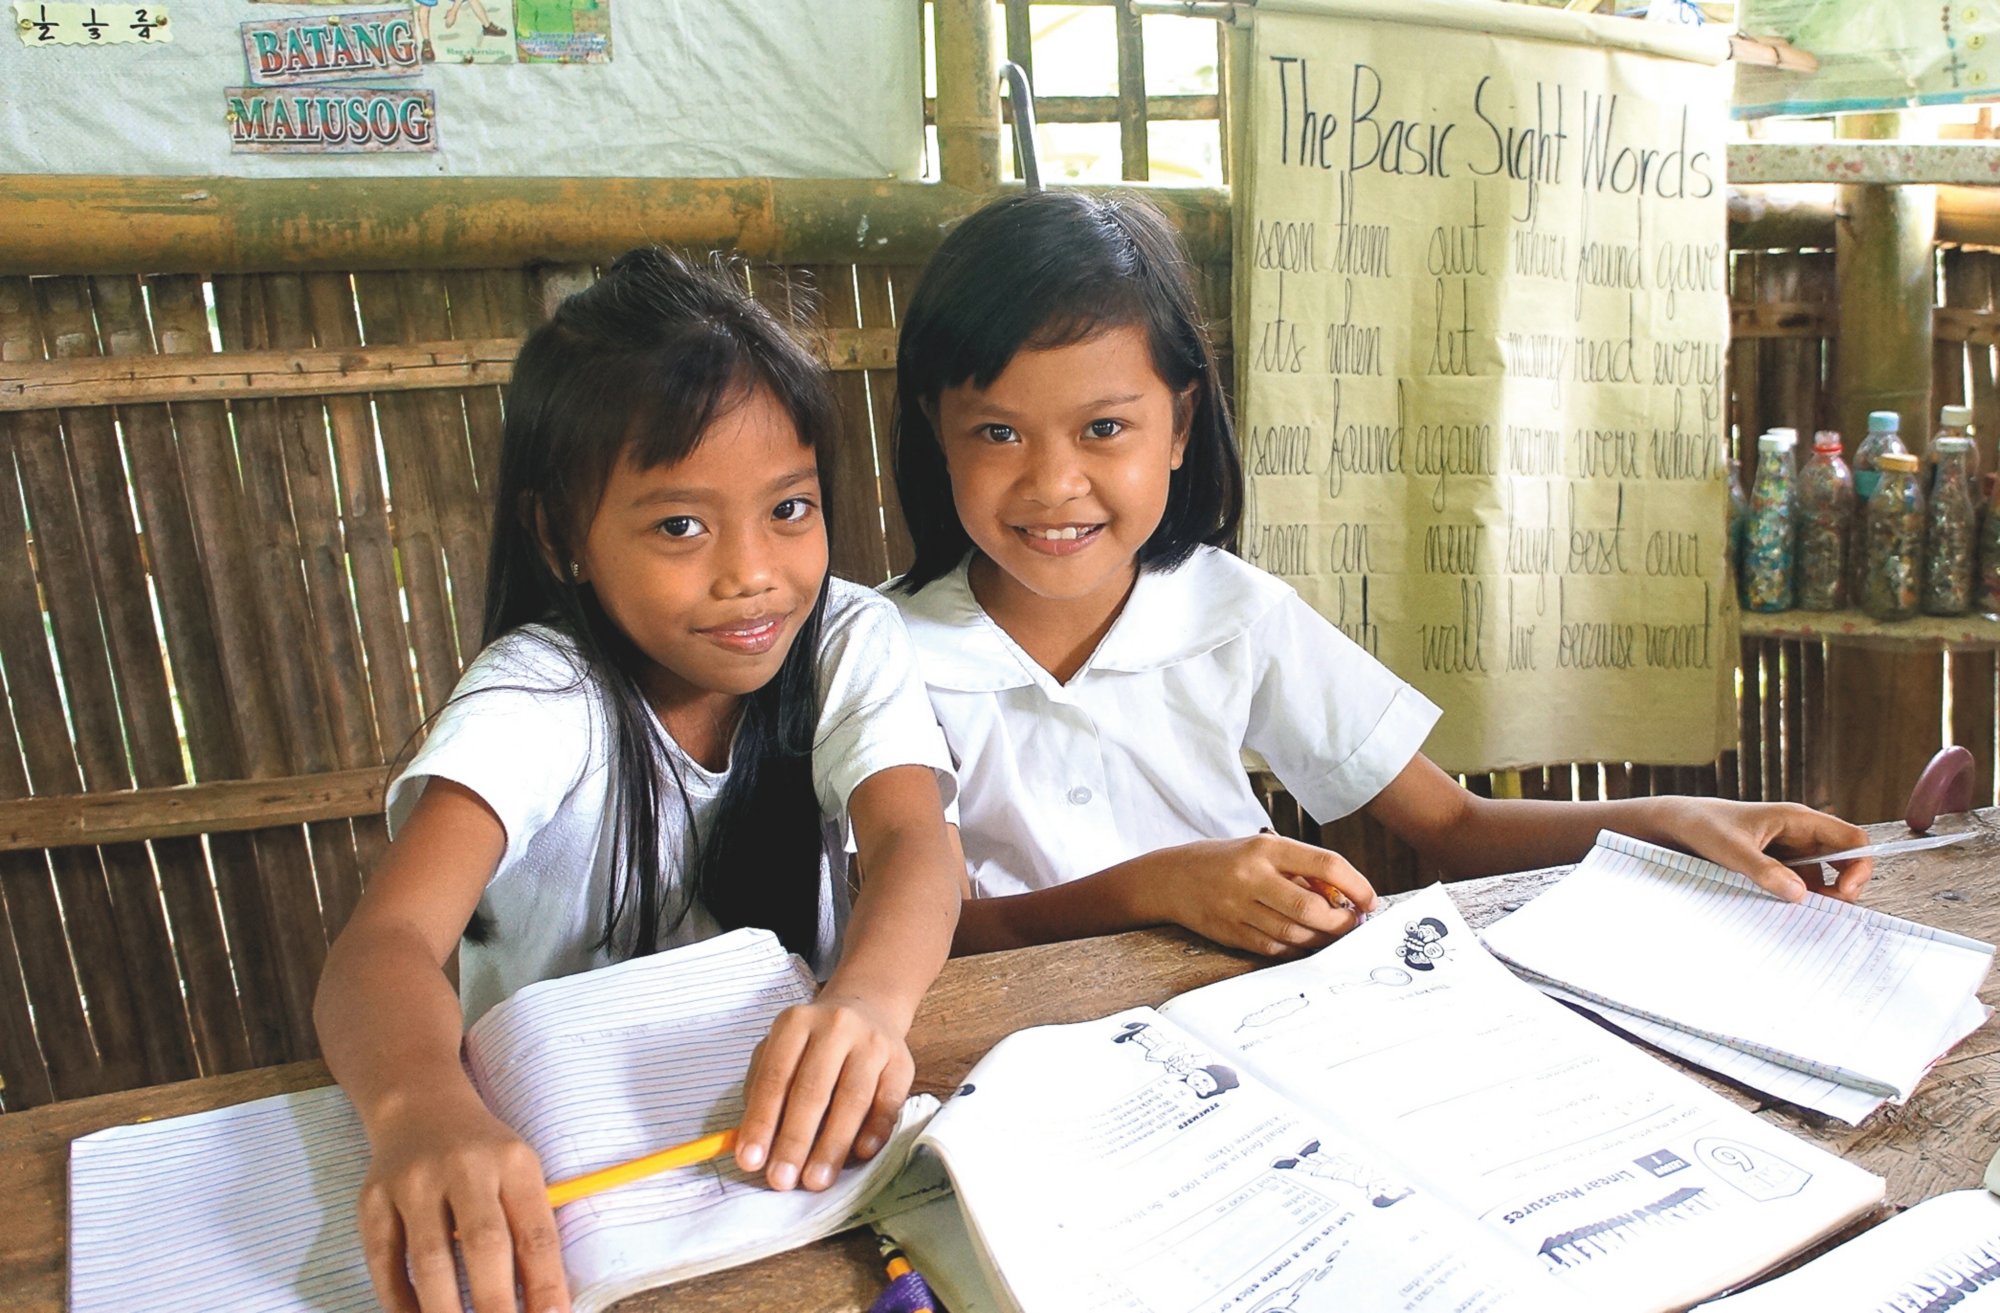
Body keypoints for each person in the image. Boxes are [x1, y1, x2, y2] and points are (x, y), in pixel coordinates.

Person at [886, 190, 1872, 958]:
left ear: (1179, 426)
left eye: (1104, 427)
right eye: (997, 431)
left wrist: (1673, 819)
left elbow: (1450, 822)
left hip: (1248, 1039)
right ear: (937, 431)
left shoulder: (1234, 613)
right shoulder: (881, 657)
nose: (1054, 482)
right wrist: (1155, 883)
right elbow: (914, 935)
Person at [316, 248, 961, 1313]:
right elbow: (380, 946)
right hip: (553, 1178)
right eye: (679, 525)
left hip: (758, 1158)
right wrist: (423, 1110)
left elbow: (911, 841)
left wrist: (865, 1003)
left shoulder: (848, 634)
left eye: (789, 509)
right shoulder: (541, 692)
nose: (751, 570)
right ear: (561, 535)